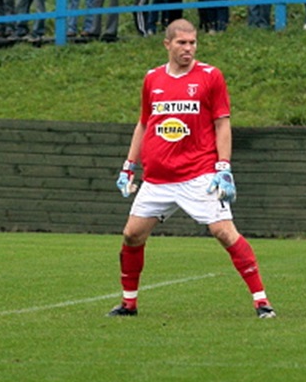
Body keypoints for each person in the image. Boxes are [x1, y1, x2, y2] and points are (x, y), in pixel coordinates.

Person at [108, 18, 276, 319]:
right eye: (182, 43)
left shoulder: (210, 76)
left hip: (198, 174)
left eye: (192, 42)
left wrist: (223, 167)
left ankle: (262, 302)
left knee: (224, 232)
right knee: (132, 235)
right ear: (167, 44)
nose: (188, 48)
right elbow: (145, 124)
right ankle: (128, 304)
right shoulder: (152, 79)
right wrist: (128, 166)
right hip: (158, 178)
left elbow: (222, 124)